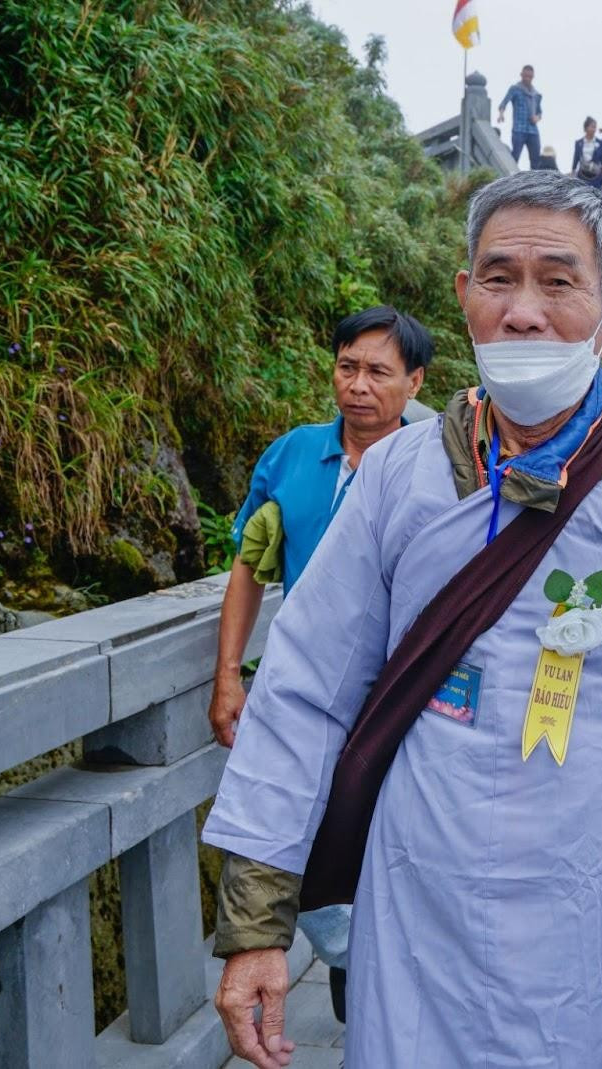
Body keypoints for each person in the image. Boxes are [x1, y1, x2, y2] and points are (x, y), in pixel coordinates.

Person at [202, 170, 602, 1069]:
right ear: (463, 296)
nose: (524, 312)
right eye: (498, 278)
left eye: (558, 282)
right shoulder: (400, 478)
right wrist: (255, 922)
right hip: (420, 917)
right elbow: (302, 692)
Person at [207, 305, 435, 1025]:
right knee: (322, 856)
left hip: (404, 701)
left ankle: (384, 1003)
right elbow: (250, 565)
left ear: (416, 381)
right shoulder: (292, 456)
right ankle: (353, 1001)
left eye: (378, 371)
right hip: (310, 692)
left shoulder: (438, 464)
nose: (358, 385)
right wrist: (228, 674)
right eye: (347, 367)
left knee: (389, 853)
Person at [496, 64, 543, 168]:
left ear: (533, 77)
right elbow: (504, 102)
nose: (527, 79)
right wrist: (501, 114)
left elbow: (540, 112)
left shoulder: (536, 94)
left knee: (536, 159)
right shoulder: (515, 89)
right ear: (521, 75)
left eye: (530, 77)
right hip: (519, 129)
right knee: (515, 156)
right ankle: (510, 179)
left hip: (533, 130)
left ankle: (535, 182)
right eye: (525, 76)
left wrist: (537, 118)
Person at [570, 116, 602, 189]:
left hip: (596, 177)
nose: (594, 129)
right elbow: (575, 160)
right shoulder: (578, 143)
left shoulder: (600, 143)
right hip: (582, 176)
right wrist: (572, 174)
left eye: (595, 127)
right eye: (592, 127)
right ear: (586, 128)